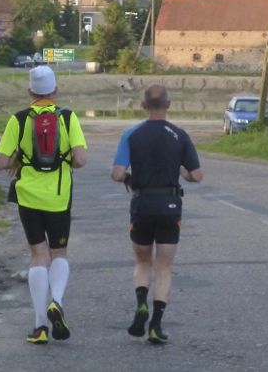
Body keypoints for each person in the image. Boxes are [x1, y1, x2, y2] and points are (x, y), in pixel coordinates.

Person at [0, 65, 87, 344]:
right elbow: (81, 160)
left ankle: (39, 326)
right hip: (59, 197)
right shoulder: (68, 117)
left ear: (30, 92)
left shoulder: (19, 119)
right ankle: (56, 302)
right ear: (56, 91)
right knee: (59, 252)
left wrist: (20, 161)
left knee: (38, 255)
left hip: (28, 197)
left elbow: (0, 163)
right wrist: (64, 159)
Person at [111, 83, 203, 344]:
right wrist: (179, 171)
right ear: (169, 104)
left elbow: (117, 174)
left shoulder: (131, 134)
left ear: (143, 105)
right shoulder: (179, 135)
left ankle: (141, 303)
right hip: (169, 205)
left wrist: (131, 177)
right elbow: (196, 175)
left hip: (142, 204)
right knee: (164, 267)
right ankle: (156, 325)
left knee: (142, 262)